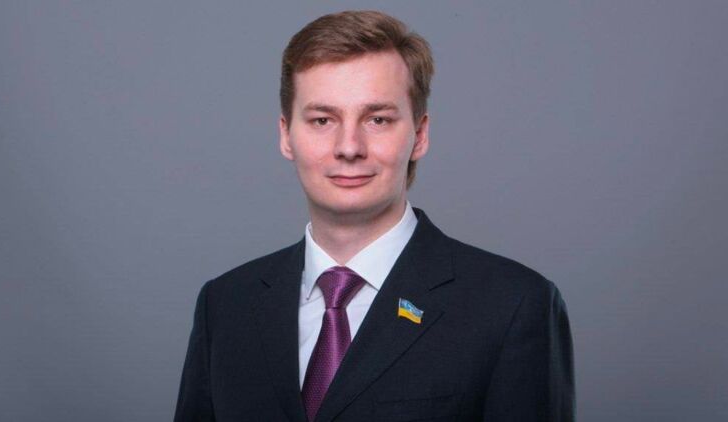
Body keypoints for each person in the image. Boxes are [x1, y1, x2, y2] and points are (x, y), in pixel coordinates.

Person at [174, 10, 574, 422]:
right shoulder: (225, 305)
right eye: (322, 120)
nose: (349, 147)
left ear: (419, 135)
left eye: (377, 119)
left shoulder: (512, 305)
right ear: (286, 135)